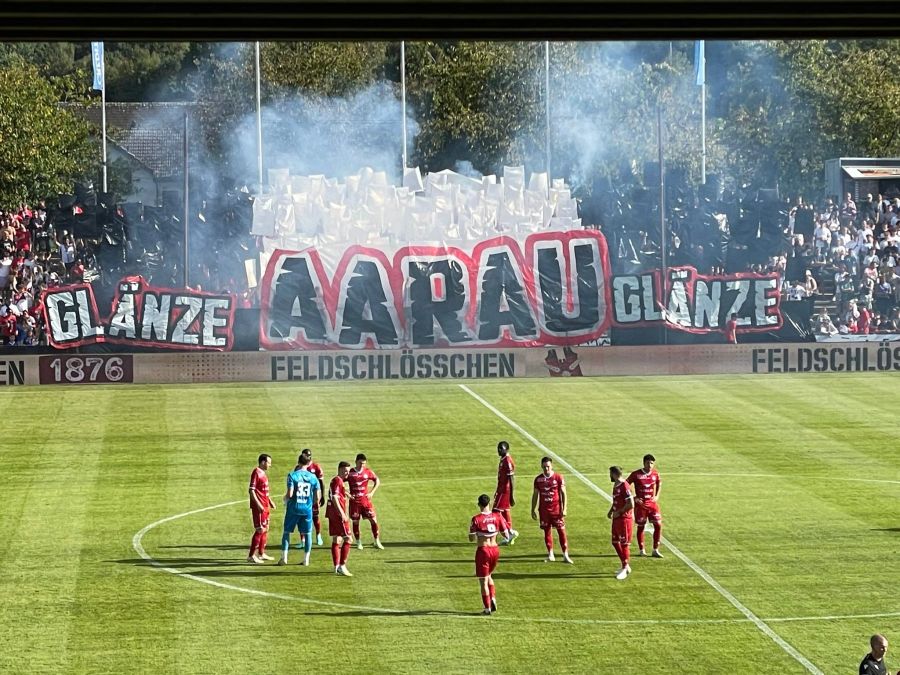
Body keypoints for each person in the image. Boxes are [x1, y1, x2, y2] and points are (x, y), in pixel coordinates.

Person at [468, 493, 509, 615]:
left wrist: (474, 534)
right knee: (489, 575)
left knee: (483, 581)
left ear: (479, 504)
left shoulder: (476, 519)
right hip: (495, 550)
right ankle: (493, 598)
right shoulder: (497, 516)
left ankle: (487, 609)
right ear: (489, 503)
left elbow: (471, 539)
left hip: (483, 551)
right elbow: (506, 535)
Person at [278, 454, 320, 566]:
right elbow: (317, 497)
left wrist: (285, 499)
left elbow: (290, 493)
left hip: (293, 508)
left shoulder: (292, 475)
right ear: (309, 463)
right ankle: (306, 560)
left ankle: (284, 558)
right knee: (308, 534)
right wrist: (313, 504)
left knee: (287, 532)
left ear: (298, 462)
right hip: (307, 509)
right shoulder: (313, 477)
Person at [530, 457, 573, 564]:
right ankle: (551, 554)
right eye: (544, 467)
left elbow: (563, 493)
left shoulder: (558, 477)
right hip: (544, 511)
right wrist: (533, 509)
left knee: (561, 531)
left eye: (548, 466)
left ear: (551, 466)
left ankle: (565, 555)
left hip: (557, 511)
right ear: (541, 466)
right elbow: (535, 495)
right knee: (547, 532)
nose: (546, 469)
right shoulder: (538, 479)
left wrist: (565, 508)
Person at [627, 454, 663, 558]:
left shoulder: (655, 474)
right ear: (644, 463)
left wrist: (656, 496)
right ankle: (641, 549)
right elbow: (626, 484)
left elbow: (659, 483)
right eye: (648, 463)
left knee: (658, 525)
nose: (650, 465)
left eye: (652, 463)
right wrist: (634, 497)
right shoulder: (636, 474)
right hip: (641, 505)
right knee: (641, 527)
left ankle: (655, 549)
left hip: (652, 504)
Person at [348, 453, 384, 550]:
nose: (362, 465)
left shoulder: (368, 472)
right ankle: (359, 542)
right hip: (355, 502)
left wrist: (372, 493)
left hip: (365, 501)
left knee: (373, 520)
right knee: (355, 522)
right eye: (360, 463)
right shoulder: (350, 472)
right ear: (356, 462)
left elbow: (377, 481)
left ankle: (376, 541)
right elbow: (339, 482)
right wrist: (348, 494)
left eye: (363, 463)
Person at [325, 461, 354, 576]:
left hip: (331, 513)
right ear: (340, 470)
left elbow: (335, 493)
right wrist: (342, 513)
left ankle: (336, 566)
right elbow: (334, 497)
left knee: (336, 539)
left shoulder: (336, 480)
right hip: (337, 515)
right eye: (346, 471)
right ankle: (342, 566)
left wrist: (345, 493)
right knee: (348, 539)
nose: (347, 473)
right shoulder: (337, 480)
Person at [294, 448, 326, 548]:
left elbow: (321, 482)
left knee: (315, 517)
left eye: (308, 455)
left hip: (313, 496)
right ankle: (302, 540)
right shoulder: (298, 468)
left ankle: (318, 535)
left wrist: (322, 496)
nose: (307, 457)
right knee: (300, 518)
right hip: (302, 496)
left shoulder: (316, 467)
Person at [607, 465, 634, 580]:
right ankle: (625, 565)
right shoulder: (616, 485)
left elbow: (631, 504)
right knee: (614, 541)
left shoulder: (624, 486)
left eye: (610, 474)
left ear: (614, 474)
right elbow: (617, 501)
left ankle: (625, 567)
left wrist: (620, 512)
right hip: (616, 518)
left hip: (624, 519)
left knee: (624, 544)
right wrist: (610, 511)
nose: (609, 476)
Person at [248, 454, 275, 564]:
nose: (270, 465)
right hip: (259, 507)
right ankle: (251, 556)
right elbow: (251, 490)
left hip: (265, 505)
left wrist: (270, 501)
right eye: (269, 462)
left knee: (266, 528)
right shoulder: (256, 472)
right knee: (260, 529)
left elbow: (263, 491)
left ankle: (261, 553)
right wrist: (258, 504)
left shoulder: (263, 474)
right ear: (263, 462)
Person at [492, 440, 519, 545]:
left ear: (506, 449)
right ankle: (509, 535)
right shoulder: (503, 459)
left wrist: (512, 495)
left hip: (505, 491)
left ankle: (509, 533)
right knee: (505, 511)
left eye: (501, 448)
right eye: (498, 448)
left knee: (495, 512)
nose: (498, 450)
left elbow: (511, 478)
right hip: (501, 490)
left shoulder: (507, 461)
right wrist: (497, 490)